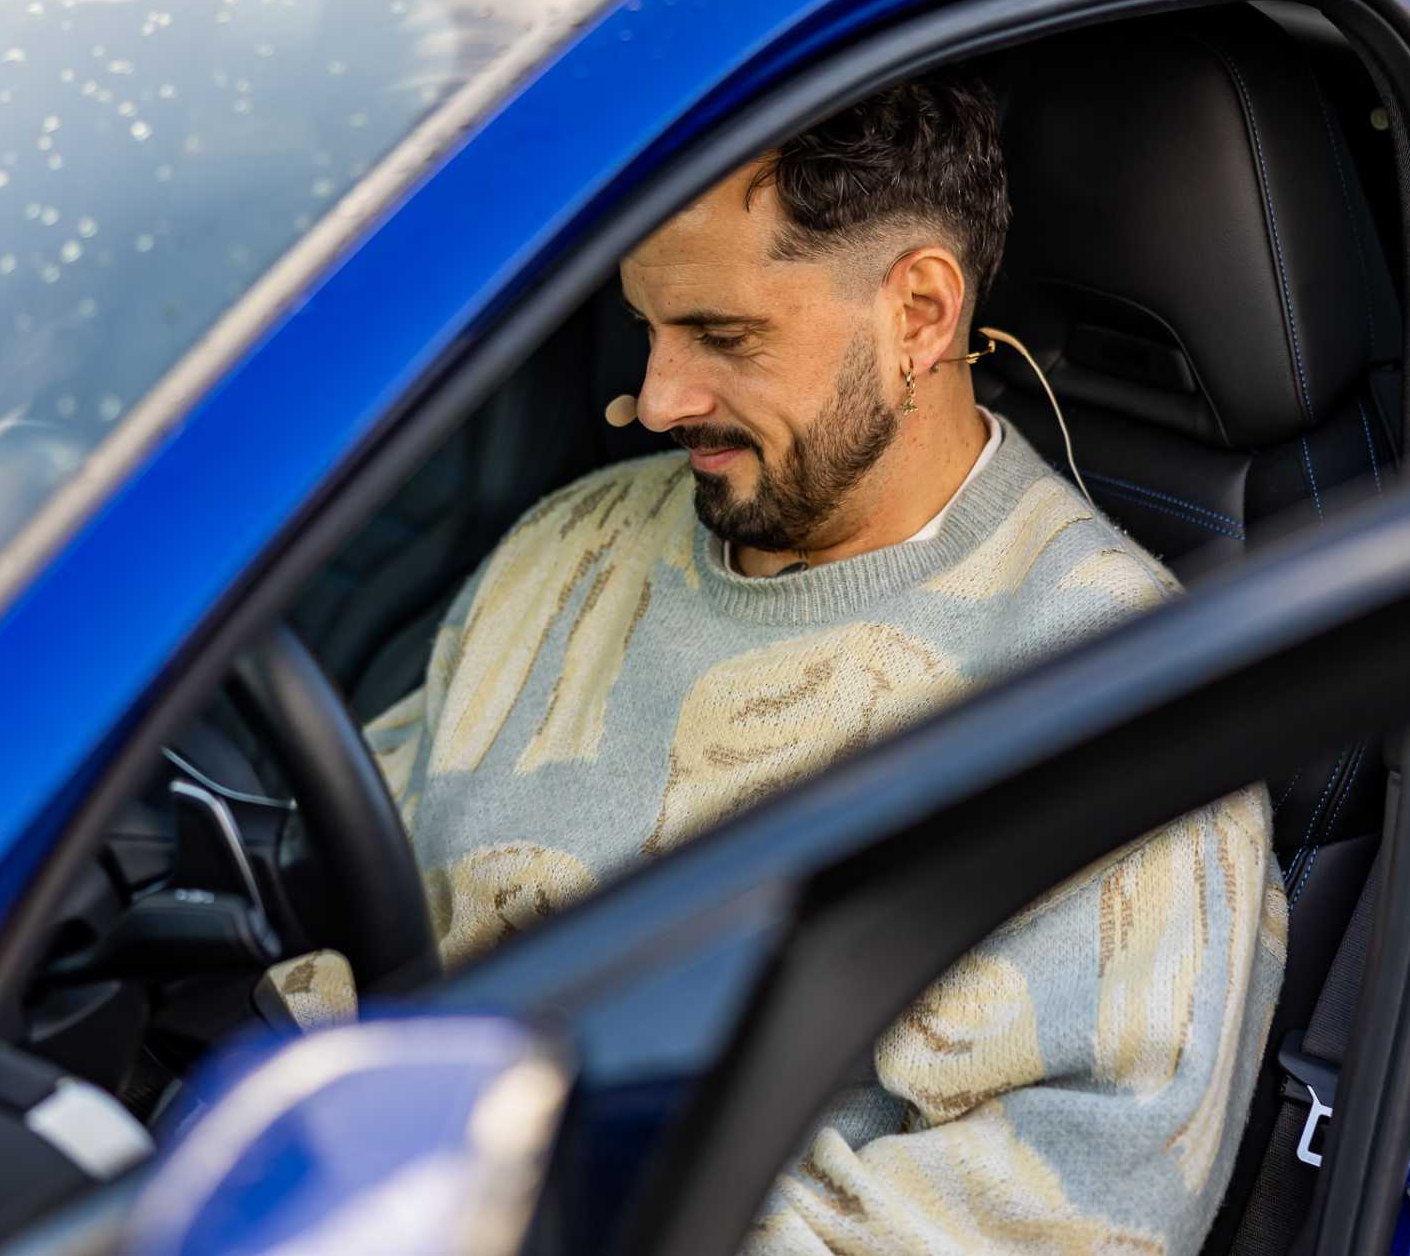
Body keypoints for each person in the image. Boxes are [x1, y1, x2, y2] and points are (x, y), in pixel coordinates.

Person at [269, 74, 1286, 1255]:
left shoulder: (1114, 711)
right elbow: (358, 910)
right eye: (647, 328)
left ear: (919, 315)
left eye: (722, 336)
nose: (658, 399)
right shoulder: (576, 542)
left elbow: (1062, 1227)